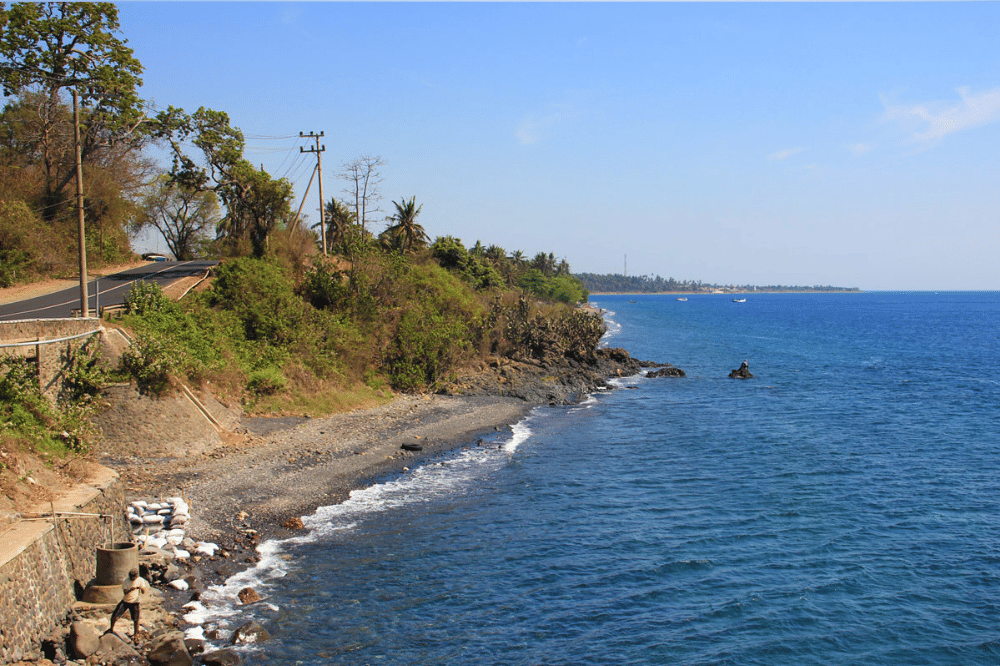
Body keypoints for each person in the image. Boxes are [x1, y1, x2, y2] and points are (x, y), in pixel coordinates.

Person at [106, 568, 149, 642]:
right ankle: (111, 629)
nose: (132, 579)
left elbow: (143, 592)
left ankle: (136, 635)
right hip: (125, 601)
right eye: (131, 577)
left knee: (136, 619)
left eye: (134, 577)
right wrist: (132, 589)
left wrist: (141, 588)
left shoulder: (140, 580)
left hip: (135, 602)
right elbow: (125, 592)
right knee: (115, 615)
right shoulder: (126, 581)